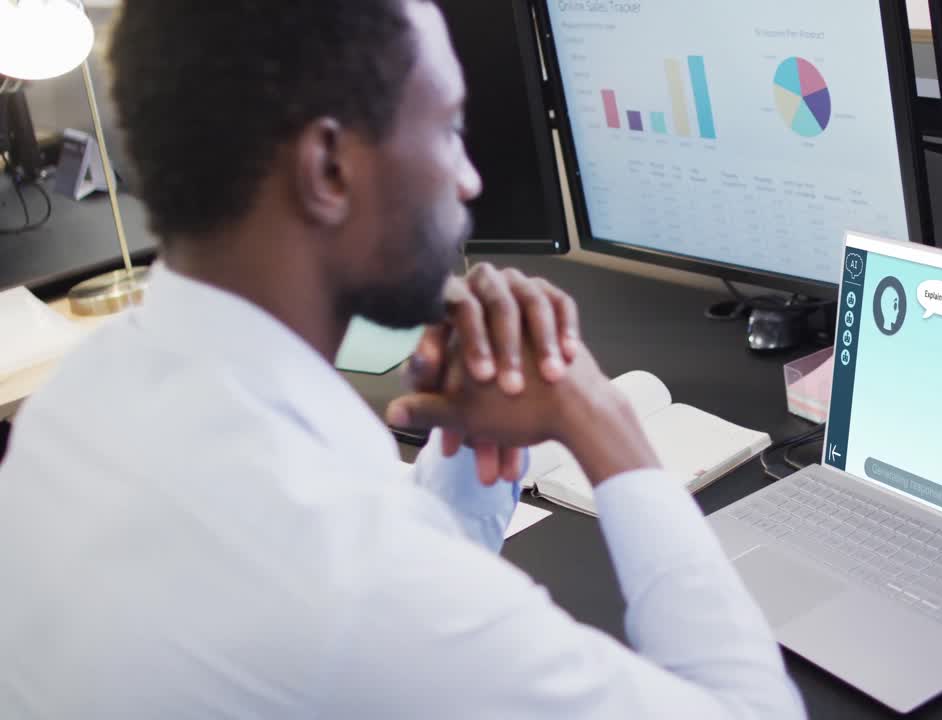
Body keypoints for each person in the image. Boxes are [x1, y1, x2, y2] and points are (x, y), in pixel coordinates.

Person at [0, 1, 805, 718]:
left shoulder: (71, 408)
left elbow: (394, 590)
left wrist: (473, 450)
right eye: (449, 129)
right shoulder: (349, 583)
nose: (469, 174)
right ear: (329, 169)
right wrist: (604, 426)